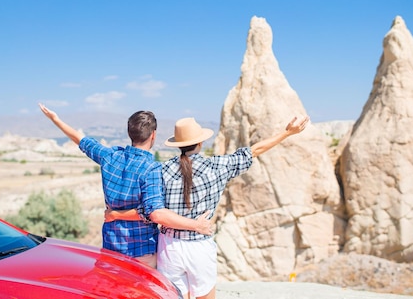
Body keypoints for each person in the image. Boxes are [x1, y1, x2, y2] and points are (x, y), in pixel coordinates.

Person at [106, 114, 310, 299]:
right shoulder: (216, 167)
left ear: (178, 144)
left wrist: (115, 214)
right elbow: (254, 151)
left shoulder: (162, 170)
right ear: (200, 142)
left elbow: (149, 212)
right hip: (199, 247)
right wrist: (287, 133)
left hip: (168, 247)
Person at [38, 103, 212, 268]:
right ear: (153, 135)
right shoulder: (151, 168)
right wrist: (197, 225)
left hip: (111, 247)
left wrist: (56, 119)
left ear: (130, 133)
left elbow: (82, 141)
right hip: (142, 251)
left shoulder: (110, 156)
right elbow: (152, 213)